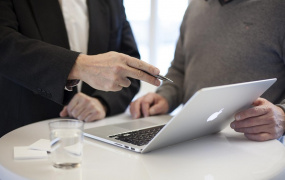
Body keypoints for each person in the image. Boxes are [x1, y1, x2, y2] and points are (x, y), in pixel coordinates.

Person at [0, 0, 161, 137]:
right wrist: (78, 65)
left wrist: (103, 102)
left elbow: (128, 67)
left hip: (93, 139)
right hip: (20, 136)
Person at [130, 0, 285, 142]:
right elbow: (179, 69)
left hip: (255, 152)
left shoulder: (278, 8)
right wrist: (165, 97)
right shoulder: (194, 7)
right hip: (191, 141)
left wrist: (282, 115)